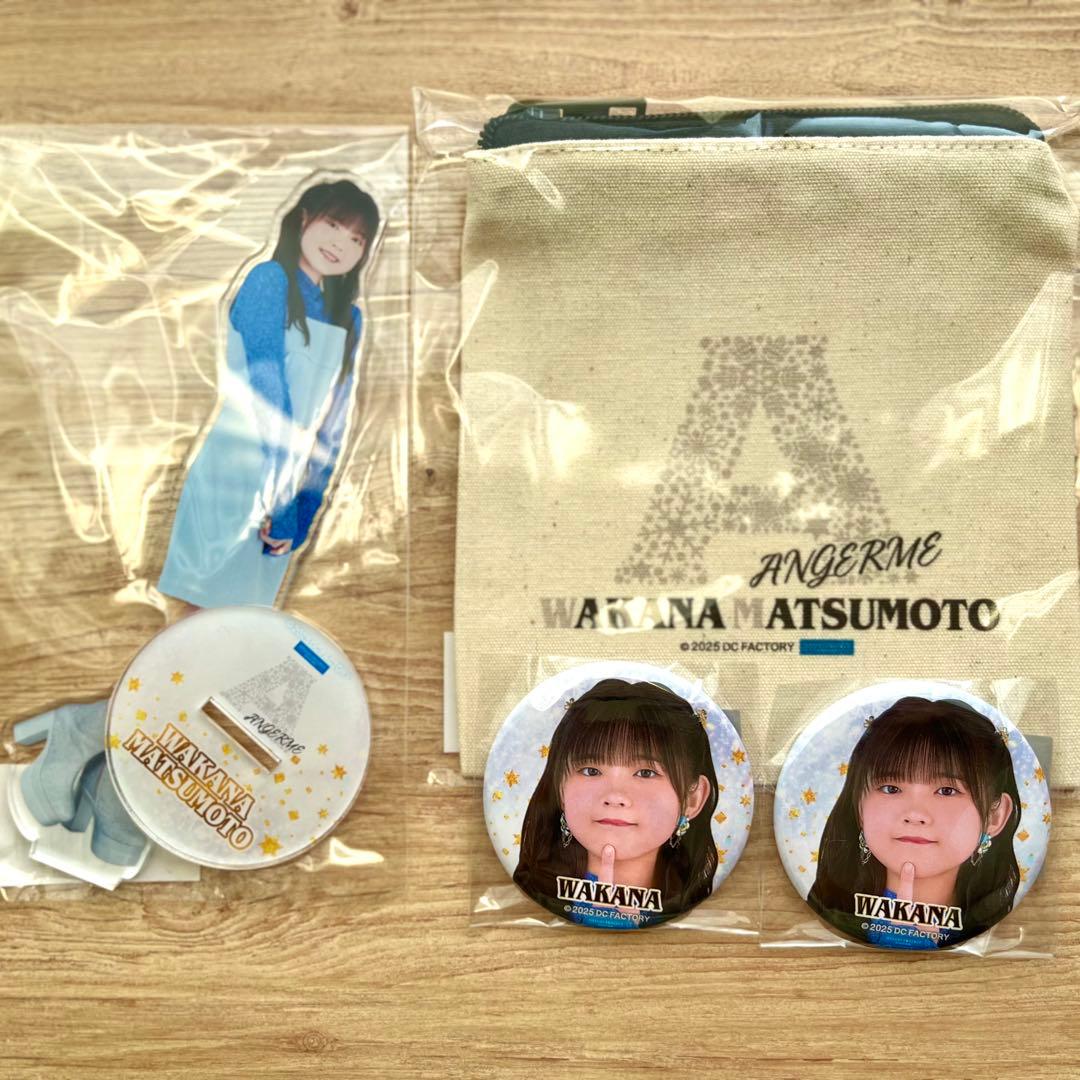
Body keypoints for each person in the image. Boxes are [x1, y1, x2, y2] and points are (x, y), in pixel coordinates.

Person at [157, 177, 381, 609]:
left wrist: (302, 514)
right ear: (304, 219)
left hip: (287, 497)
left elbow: (333, 429)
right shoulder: (268, 281)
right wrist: (280, 503)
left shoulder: (349, 319)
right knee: (193, 620)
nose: (341, 244)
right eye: (334, 225)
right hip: (231, 479)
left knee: (248, 629)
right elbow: (268, 392)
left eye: (356, 239)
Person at [808, 696, 1021, 949]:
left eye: (947, 791)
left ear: (995, 816)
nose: (915, 814)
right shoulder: (829, 923)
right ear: (859, 806)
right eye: (891, 788)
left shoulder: (1003, 932)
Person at [514, 679, 718, 929]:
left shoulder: (704, 913)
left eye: (645, 773)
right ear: (560, 788)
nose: (614, 796)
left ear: (692, 799)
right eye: (591, 771)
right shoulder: (533, 904)